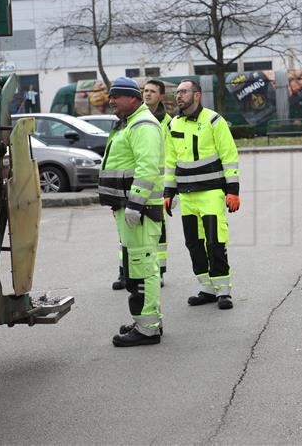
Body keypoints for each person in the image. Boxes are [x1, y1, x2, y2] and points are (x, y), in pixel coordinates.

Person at [98, 77, 165, 346]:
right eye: (110, 95)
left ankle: (147, 328)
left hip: (139, 210)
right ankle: (147, 321)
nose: (111, 100)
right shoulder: (129, 124)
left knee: (141, 269)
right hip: (130, 209)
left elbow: (147, 169)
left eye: (117, 96)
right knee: (137, 267)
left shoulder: (143, 125)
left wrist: (135, 205)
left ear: (133, 99)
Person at [163, 79, 240, 311]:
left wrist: (233, 190)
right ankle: (206, 288)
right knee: (194, 244)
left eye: (184, 92)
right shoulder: (172, 125)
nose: (179, 96)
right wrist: (168, 191)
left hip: (211, 193)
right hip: (187, 196)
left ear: (197, 95)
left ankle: (223, 291)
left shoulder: (214, 120)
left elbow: (229, 155)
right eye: (177, 92)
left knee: (215, 242)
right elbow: (170, 161)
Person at [112, 79, 172, 290]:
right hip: (135, 196)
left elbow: (165, 160)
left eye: (152, 91)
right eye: (145, 90)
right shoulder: (127, 120)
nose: (147, 94)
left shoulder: (158, 123)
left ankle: (157, 272)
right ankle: (125, 272)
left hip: (149, 195)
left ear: (160, 96)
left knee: (150, 247)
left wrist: (172, 189)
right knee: (132, 247)